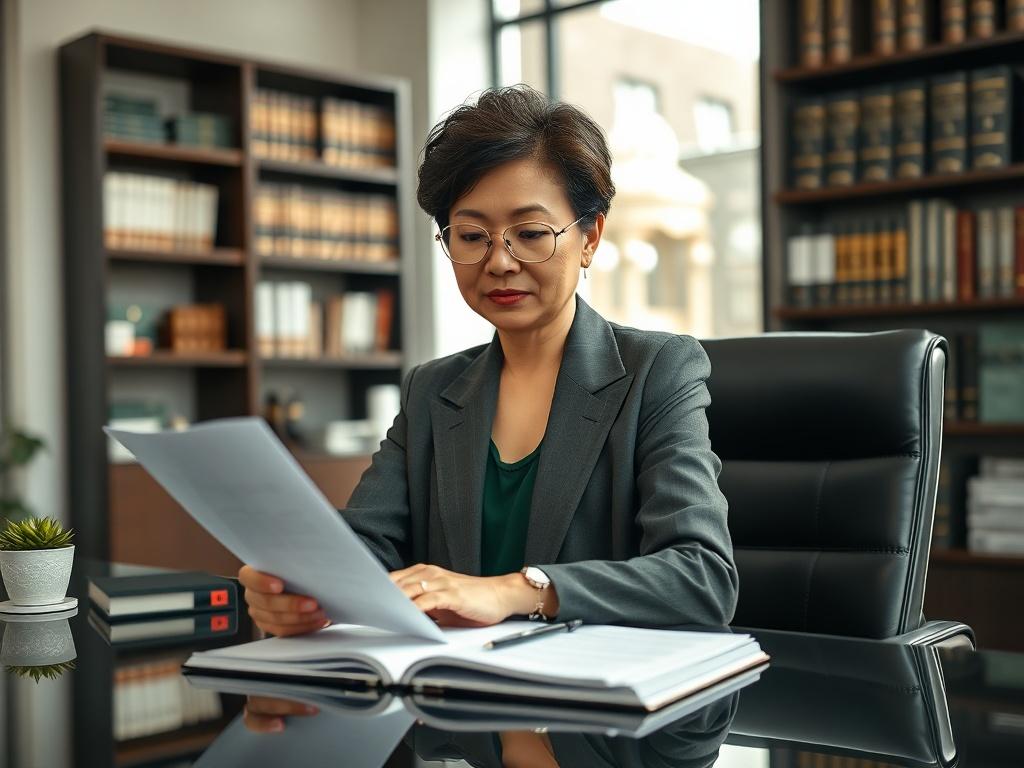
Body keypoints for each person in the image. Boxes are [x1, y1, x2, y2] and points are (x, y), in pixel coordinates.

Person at [239, 85, 737, 637]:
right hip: (457, 699)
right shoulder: (432, 389)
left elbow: (702, 578)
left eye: (529, 234)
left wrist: (514, 590)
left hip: (600, 707)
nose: (499, 261)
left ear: (590, 237)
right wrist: (302, 587)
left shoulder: (657, 371)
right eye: (472, 235)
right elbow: (366, 545)